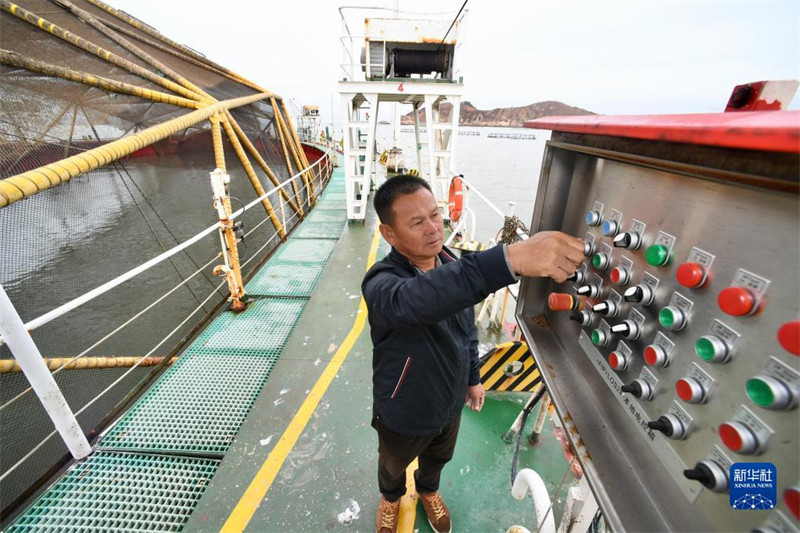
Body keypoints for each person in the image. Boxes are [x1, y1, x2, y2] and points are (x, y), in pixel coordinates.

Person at [362, 175, 584, 533]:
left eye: (435, 214)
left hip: (449, 404)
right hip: (403, 407)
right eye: (417, 222)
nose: (433, 228)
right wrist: (510, 259)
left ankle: (429, 490)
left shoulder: (451, 265)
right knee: (392, 466)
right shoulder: (381, 283)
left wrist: (474, 379)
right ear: (389, 234)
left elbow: (467, 330)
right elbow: (417, 300)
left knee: (438, 458)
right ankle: (390, 500)